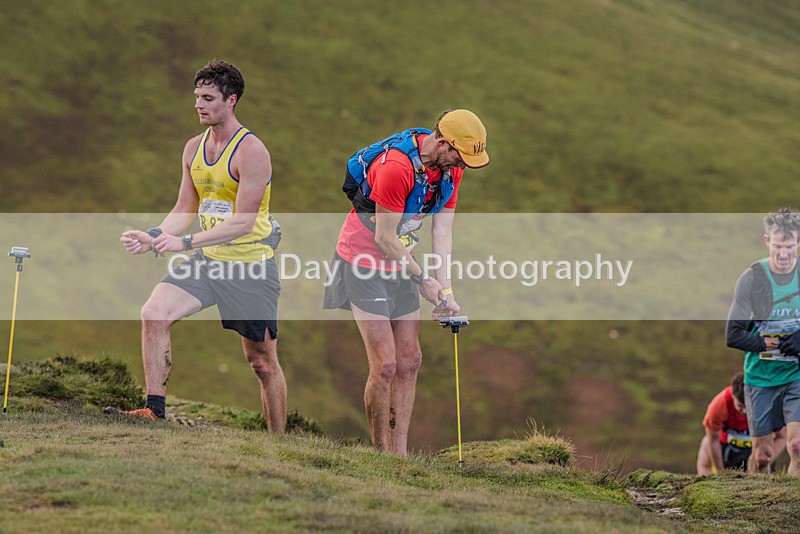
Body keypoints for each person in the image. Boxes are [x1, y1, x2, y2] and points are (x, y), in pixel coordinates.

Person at [108, 60, 287, 432]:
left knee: (262, 362)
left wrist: (184, 242)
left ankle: (279, 443)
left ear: (231, 100)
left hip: (249, 263)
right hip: (206, 260)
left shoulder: (252, 152)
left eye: (208, 98)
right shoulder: (193, 148)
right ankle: (153, 410)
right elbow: (184, 208)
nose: (199, 105)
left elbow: (243, 222)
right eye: (196, 97)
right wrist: (155, 234)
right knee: (154, 314)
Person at [323, 109, 490, 455]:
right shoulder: (396, 168)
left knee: (410, 360)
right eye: (459, 156)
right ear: (443, 142)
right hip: (362, 261)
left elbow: (442, 232)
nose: (461, 166)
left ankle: (399, 457)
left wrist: (445, 293)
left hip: (402, 263)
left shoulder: (449, 171)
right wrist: (423, 280)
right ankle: (382, 455)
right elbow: (385, 237)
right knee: (384, 365)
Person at [726, 206, 800, 475]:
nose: (783, 253)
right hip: (760, 377)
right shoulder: (752, 279)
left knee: (797, 445)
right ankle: (757, 505)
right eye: (778, 245)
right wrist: (764, 343)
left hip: (796, 374)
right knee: (763, 457)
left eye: (790, 246)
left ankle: (793, 511)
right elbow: (732, 335)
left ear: (799, 243)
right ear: (767, 241)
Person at [696, 372, 786, 474]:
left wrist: (766, 460)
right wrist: (720, 473)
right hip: (729, 449)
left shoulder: (767, 403)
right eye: (740, 406)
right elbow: (713, 441)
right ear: (733, 395)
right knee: (706, 441)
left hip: (758, 449)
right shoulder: (719, 404)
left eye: (748, 407)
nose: (745, 411)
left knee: (762, 456)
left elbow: (782, 437)